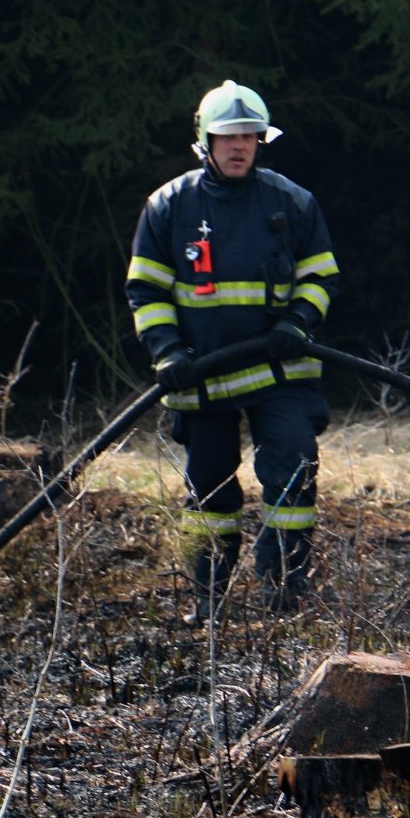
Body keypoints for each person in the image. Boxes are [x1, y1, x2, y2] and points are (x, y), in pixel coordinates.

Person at [125, 81, 340, 622]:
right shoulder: (168, 207)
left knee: (294, 467)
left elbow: (321, 276)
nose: (240, 145)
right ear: (205, 140)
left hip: (280, 369)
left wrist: (298, 319)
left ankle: (284, 588)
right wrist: (167, 352)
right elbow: (146, 290)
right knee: (209, 491)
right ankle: (208, 597)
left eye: (249, 136)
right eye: (228, 136)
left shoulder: (291, 201)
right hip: (202, 374)